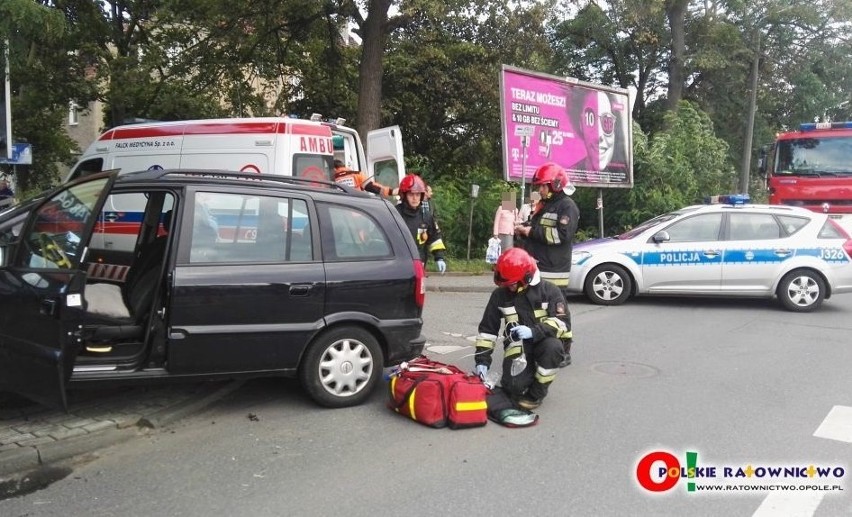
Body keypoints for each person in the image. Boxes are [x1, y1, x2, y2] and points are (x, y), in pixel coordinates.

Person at [473, 247, 569, 410]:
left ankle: (537, 393)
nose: (508, 288)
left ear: (527, 278)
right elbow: (488, 330)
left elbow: (563, 324)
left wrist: (534, 332)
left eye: (511, 284)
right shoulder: (500, 295)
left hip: (544, 343)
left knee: (553, 348)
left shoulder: (550, 291)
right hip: (517, 346)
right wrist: (482, 361)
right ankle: (527, 375)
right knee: (513, 387)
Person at [514, 162, 579, 368]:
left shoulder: (567, 206)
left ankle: (563, 350)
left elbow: (561, 235)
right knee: (538, 308)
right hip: (539, 266)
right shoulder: (547, 205)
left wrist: (530, 232)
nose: (539, 190)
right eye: (539, 186)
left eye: (543, 186)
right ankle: (540, 344)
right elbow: (538, 227)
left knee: (558, 311)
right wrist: (523, 228)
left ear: (556, 184)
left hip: (554, 269)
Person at [396, 173, 447, 274]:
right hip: (399, 264)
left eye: (418, 194)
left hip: (419, 264)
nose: (415, 198)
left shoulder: (426, 216)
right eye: (411, 194)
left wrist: (439, 258)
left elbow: (434, 238)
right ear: (404, 195)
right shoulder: (394, 214)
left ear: (422, 195)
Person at [333, 159, 398, 197]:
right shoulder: (357, 174)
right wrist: (390, 191)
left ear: (334, 169)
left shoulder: (331, 179)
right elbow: (372, 187)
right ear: (344, 166)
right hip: (356, 210)